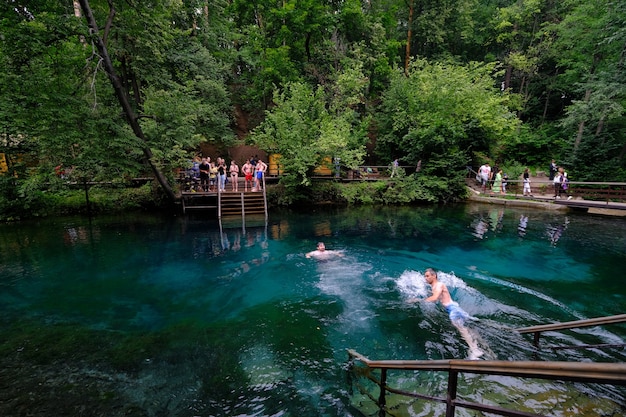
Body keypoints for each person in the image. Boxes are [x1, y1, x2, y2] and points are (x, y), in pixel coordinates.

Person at [407, 268, 483, 360]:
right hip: (453, 308)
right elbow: (436, 295)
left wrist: (418, 300)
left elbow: (435, 298)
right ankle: (477, 345)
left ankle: (475, 350)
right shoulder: (435, 287)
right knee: (467, 327)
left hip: (453, 310)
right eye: (424, 276)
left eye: (427, 276)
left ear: (434, 276)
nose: (425, 278)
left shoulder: (439, 285)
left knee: (461, 328)